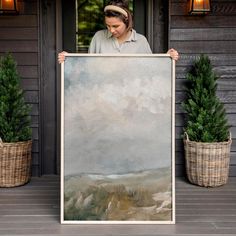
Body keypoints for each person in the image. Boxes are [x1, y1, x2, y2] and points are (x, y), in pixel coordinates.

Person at [58, 0, 179, 63]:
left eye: (116, 26)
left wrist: (167, 58)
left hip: (132, 98)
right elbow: (88, 68)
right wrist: (68, 60)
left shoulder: (141, 41)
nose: (111, 30)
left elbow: (150, 70)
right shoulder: (98, 37)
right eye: (108, 26)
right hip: (102, 97)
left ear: (127, 22)